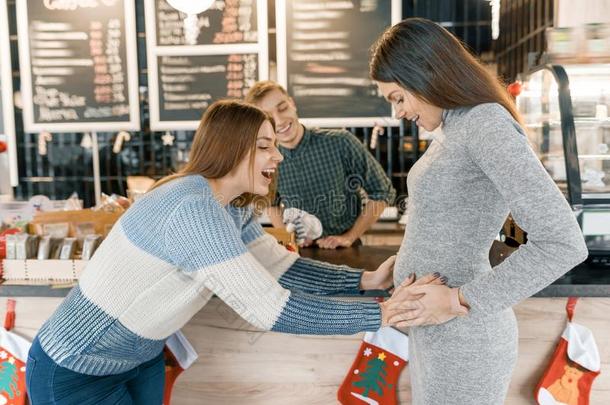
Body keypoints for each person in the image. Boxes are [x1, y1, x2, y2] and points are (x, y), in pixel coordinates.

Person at [25, 100, 440, 404]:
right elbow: (269, 308)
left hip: (138, 361)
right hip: (76, 369)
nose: (277, 156)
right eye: (263, 146)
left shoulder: (230, 208)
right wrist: (380, 313)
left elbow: (280, 269)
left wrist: (365, 281)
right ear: (231, 148)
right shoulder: (191, 208)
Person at [369, 18, 588, 405]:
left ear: (425, 75)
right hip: (439, 334)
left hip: (464, 339)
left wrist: (459, 300)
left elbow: (563, 242)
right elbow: (486, 219)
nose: (398, 113)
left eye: (398, 98)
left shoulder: (484, 124)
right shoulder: (456, 127)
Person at [245, 81, 396, 249]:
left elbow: (383, 192)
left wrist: (349, 237)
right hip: (300, 253)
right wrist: (289, 239)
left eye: (282, 108)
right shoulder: (267, 160)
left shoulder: (341, 142)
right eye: (270, 117)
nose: (279, 121)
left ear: (292, 104)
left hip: (345, 250)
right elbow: (272, 205)